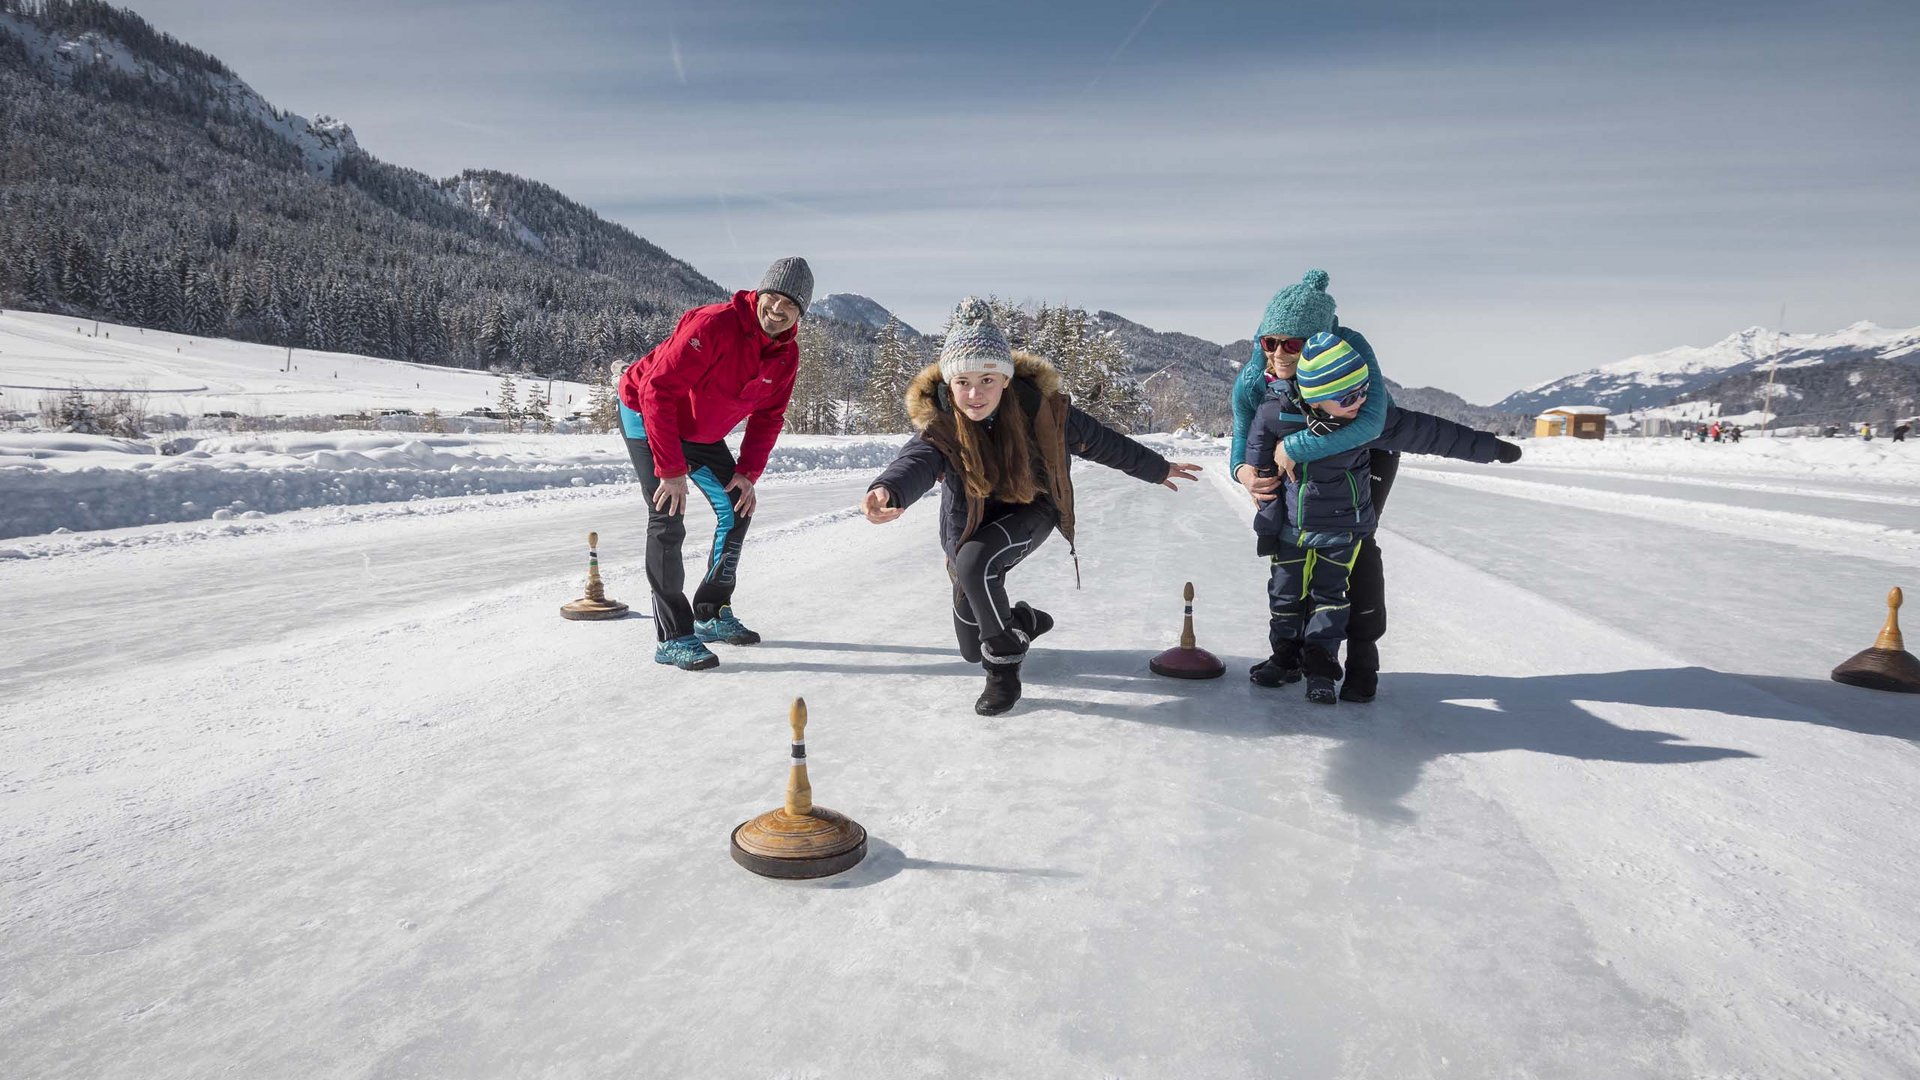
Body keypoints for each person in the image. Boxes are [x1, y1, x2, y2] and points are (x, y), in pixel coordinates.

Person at [863, 298, 1202, 716]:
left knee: (975, 564)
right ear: (948, 386)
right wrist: (888, 490)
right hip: (971, 525)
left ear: (1005, 379)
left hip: (1032, 509)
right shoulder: (943, 426)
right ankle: (1022, 622)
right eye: (963, 382)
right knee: (972, 646)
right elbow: (915, 461)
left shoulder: (1043, 412)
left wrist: (1157, 467)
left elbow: (1103, 442)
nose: (975, 394)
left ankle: (1003, 674)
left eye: (987, 379)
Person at [1247, 333, 1522, 704]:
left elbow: (1430, 433)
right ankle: (1286, 657)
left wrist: (1490, 447)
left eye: (1363, 392)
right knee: (1285, 595)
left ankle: (1335, 665)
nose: (1360, 402)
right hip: (1292, 528)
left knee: (1336, 589)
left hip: (1343, 523)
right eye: (1348, 397)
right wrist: (1260, 502)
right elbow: (1255, 456)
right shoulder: (1272, 407)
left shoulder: (1365, 413)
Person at [616, 256, 813, 670]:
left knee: (738, 507)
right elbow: (657, 392)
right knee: (668, 515)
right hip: (646, 411)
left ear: (800, 313)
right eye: (773, 297)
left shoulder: (786, 355)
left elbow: (769, 417)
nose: (777, 310)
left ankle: (710, 611)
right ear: (760, 293)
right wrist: (670, 471)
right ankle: (673, 636)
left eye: (790, 305)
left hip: (700, 432)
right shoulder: (713, 325)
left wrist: (747, 472)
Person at [1228, 269, 1399, 702]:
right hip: (1294, 451)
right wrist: (1244, 472)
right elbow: (1244, 426)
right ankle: (1292, 653)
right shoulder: (1260, 365)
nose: (1279, 350)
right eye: (1271, 341)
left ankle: (1360, 656)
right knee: (1292, 554)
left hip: (1364, 450)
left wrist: (1296, 448)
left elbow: (1371, 422)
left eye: (1295, 343)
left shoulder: (1353, 347)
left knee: (1354, 547)